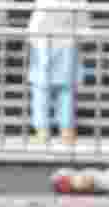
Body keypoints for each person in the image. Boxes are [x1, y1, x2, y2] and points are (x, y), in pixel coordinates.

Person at [27, 0, 91, 145]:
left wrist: (31, 38)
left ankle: (42, 131)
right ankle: (66, 131)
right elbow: (85, 25)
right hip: (67, 45)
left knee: (41, 91)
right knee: (66, 91)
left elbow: (36, 25)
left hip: (43, 45)